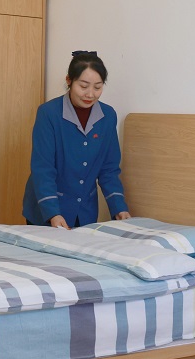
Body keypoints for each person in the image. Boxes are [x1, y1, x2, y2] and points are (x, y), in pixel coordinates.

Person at [22, 50, 130, 228]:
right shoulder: (49, 113)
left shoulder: (108, 116)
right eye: (84, 86)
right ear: (69, 81)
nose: (90, 94)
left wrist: (119, 207)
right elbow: (43, 169)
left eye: (97, 87)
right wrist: (53, 213)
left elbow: (109, 169)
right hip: (47, 210)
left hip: (85, 211)